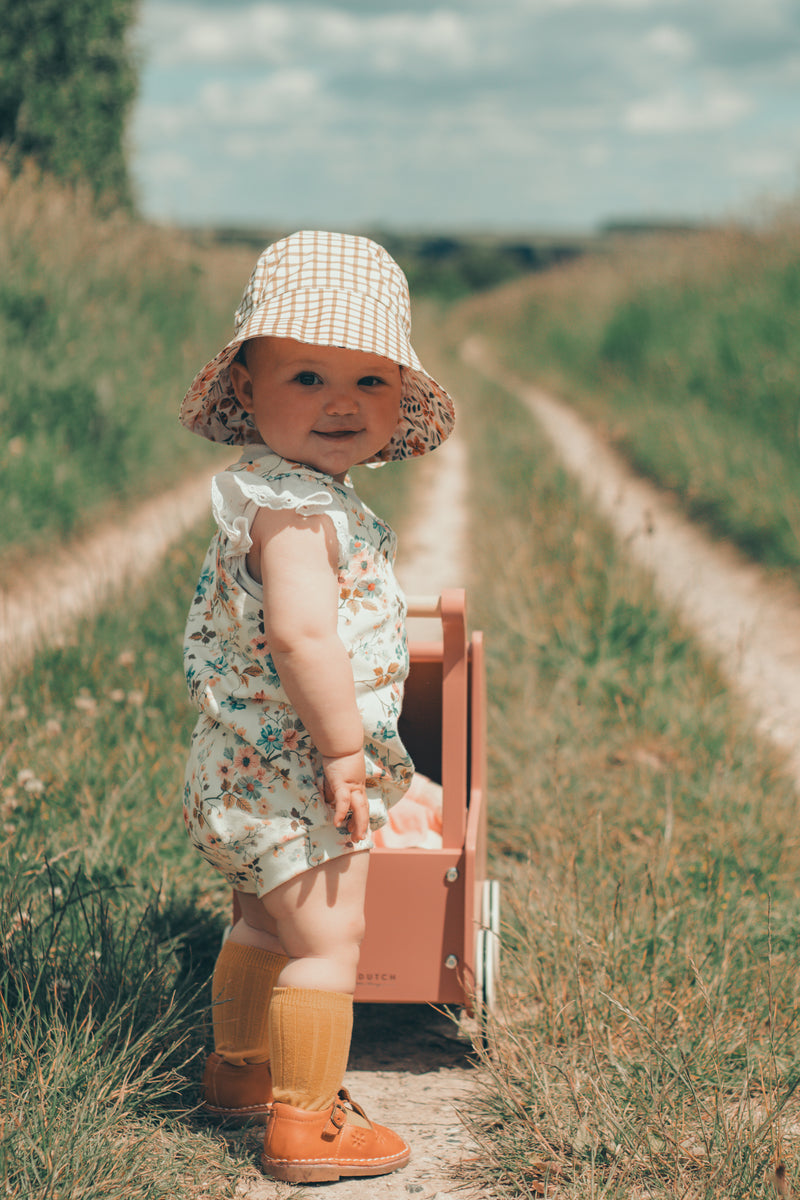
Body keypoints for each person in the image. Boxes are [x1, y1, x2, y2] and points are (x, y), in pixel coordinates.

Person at [179, 230, 455, 1183]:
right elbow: (301, 639)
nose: (341, 402)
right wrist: (345, 755)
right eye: (305, 377)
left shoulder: (275, 494)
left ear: (401, 400)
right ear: (246, 389)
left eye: (371, 381)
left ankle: (238, 1072)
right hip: (296, 772)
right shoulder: (297, 517)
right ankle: (305, 1122)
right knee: (331, 945)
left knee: (260, 923)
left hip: (238, 774)